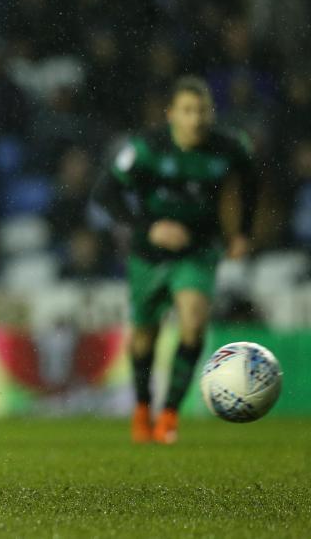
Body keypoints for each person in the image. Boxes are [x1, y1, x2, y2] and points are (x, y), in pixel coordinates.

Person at [91, 75, 256, 444]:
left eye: (202, 110)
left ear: (212, 113)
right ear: (171, 115)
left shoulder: (228, 148)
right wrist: (146, 228)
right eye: (187, 111)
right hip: (148, 254)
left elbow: (250, 182)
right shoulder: (147, 148)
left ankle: (169, 415)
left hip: (198, 250)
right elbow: (105, 192)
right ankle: (142, 408)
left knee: (193, 324)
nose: (196, 119)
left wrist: (242, 230)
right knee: (144, 339)